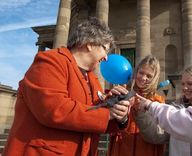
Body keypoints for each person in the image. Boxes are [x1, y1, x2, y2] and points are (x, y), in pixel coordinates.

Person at [2, 17, 130, 156]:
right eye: (105, 49)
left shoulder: (92, 79)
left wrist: (118, 114)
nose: (106, 57)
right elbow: (54, 109)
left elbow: (95, 120)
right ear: (90, 44)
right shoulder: (50, 61)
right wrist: (107, 113)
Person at [135, 64, 192, 156]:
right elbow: (157, 136)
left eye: (190, 84)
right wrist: (141, 114)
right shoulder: (175, 109)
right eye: (183, 84)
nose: (185, 88)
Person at [107, 55, 166, 156]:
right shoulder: (124, 94)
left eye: (149, 76)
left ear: (154, 78)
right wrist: (111, 101)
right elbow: (110, 125)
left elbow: (159, 135)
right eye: (141, 73)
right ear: (136, 72)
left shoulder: (158, 101)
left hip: (146, 150)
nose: (143, 78)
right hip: (121, 148)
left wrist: (141, 111)